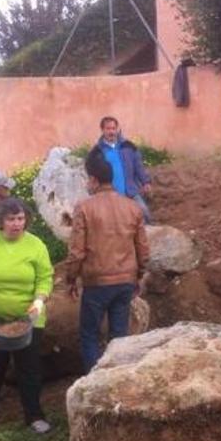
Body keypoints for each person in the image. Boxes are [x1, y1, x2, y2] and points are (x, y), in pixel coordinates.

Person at [0, 198, 54, 434]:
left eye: (21, 218)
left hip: (29, 317)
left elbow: (45, 278)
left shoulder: (36, 245)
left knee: (29, 367)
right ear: (0, 221)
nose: (16, 224)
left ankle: (34, 416)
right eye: (11, 219)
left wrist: (39, 300)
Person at [66, 151, 150, 373]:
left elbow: (76, 251)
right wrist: (139, 275)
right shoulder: (132, 207)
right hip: (125, 281)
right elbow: (142, 248)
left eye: (88, 179)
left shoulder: (84, 207)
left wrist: (71, 279)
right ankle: (117, 382)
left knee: (90, 336)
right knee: (119, 337)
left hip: (96, 282)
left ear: (93, 180)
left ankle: (94, 386)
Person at [92, 116, 154, 223]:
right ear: (102, 130)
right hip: (110, 194)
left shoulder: (128, 146)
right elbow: (92, 171)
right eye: (108, 129)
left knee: (144, 214)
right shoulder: (97, 151)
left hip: (130, 191)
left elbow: (138, 166)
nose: (111, 132)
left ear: (117, 129)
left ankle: (146, 238)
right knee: (117, 222)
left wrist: (146, 182)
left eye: (113, 128)